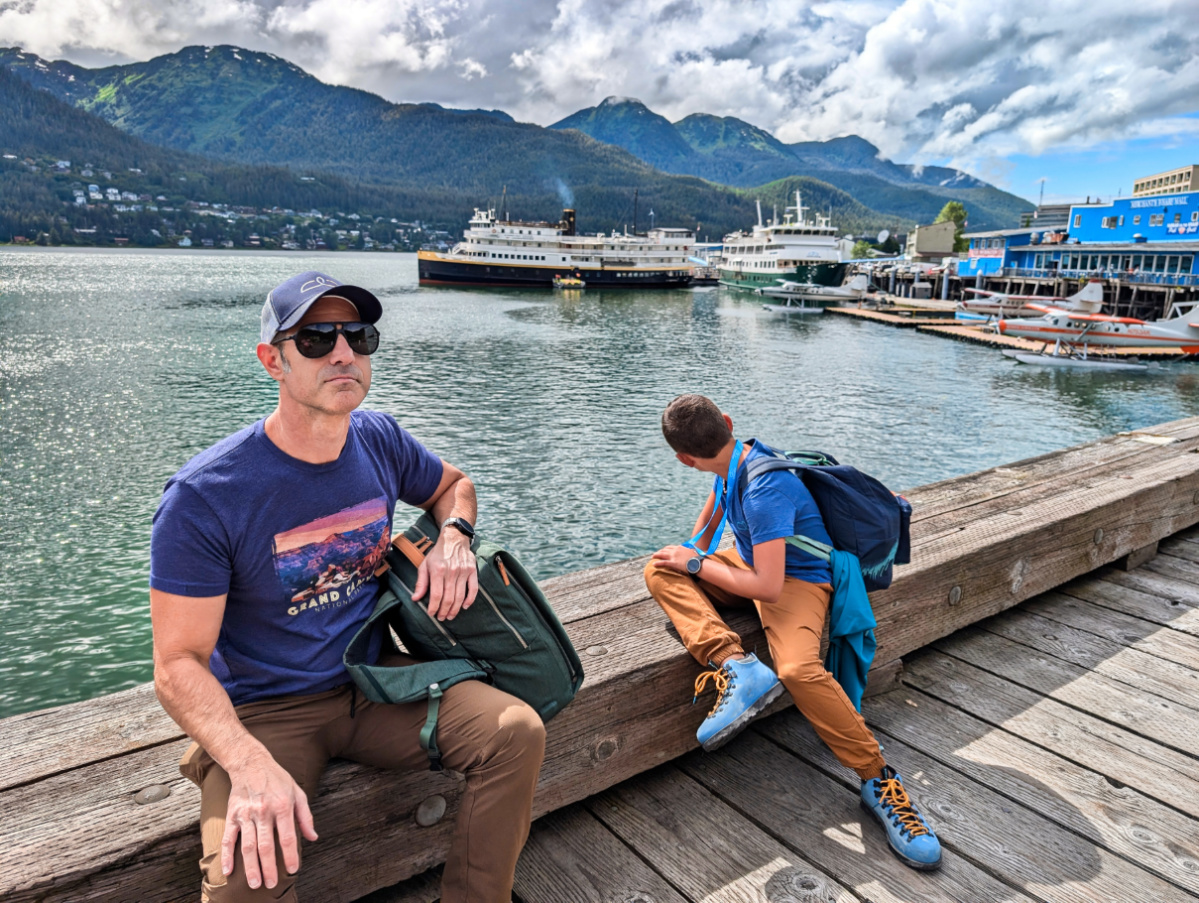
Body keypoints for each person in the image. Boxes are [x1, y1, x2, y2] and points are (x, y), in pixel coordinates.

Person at [150, 271, 545, 903]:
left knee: (515, 732)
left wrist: (455, 538)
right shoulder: (206, 496)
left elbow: (453, 485)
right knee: (245, 881)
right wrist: (247, 763)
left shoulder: (378, 438)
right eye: (315, 339)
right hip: (265, 710)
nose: (343, 353)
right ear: (272, 361)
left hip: (376, 682)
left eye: (358, 337)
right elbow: (177, 665)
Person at [643, 394, 941, 871]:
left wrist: (696, 564)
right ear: (726, 422)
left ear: (684, 459)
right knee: (660, 569)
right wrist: (689, 553)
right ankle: (736, 665)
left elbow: (769, 587)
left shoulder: (763, 488)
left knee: (799, 670)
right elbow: (709, 523)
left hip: (797, 580)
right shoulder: (732, 462)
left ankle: (879, 778)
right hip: (757, 564)